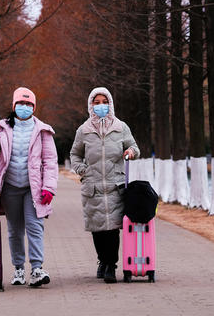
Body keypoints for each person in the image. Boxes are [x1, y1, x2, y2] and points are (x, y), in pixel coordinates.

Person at [0, 86, 58, 287]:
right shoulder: (3, 128)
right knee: (14, 230)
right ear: (14, 106)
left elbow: (50, 161)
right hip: (10, 187)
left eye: (29, 104)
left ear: (34, 107)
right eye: (21, 103)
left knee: (35, 227)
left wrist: (49, 187)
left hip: (34, 188)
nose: (25, 107)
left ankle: (37, 269)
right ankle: (19, 270)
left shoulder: (43, 131)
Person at [70, 86, 140, 283]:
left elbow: (134, 147)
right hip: (92, 186)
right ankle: (102, 260)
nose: (101, 105)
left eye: (104, 101)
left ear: (110, 103)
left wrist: (131, 153)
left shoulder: (120, 127)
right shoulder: (83, 130)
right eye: (97, 102)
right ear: (91, 105)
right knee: (98, 228)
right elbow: (75, 154)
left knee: (112, 228)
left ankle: (111, 265)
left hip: (114, 185)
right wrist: (82, 170)